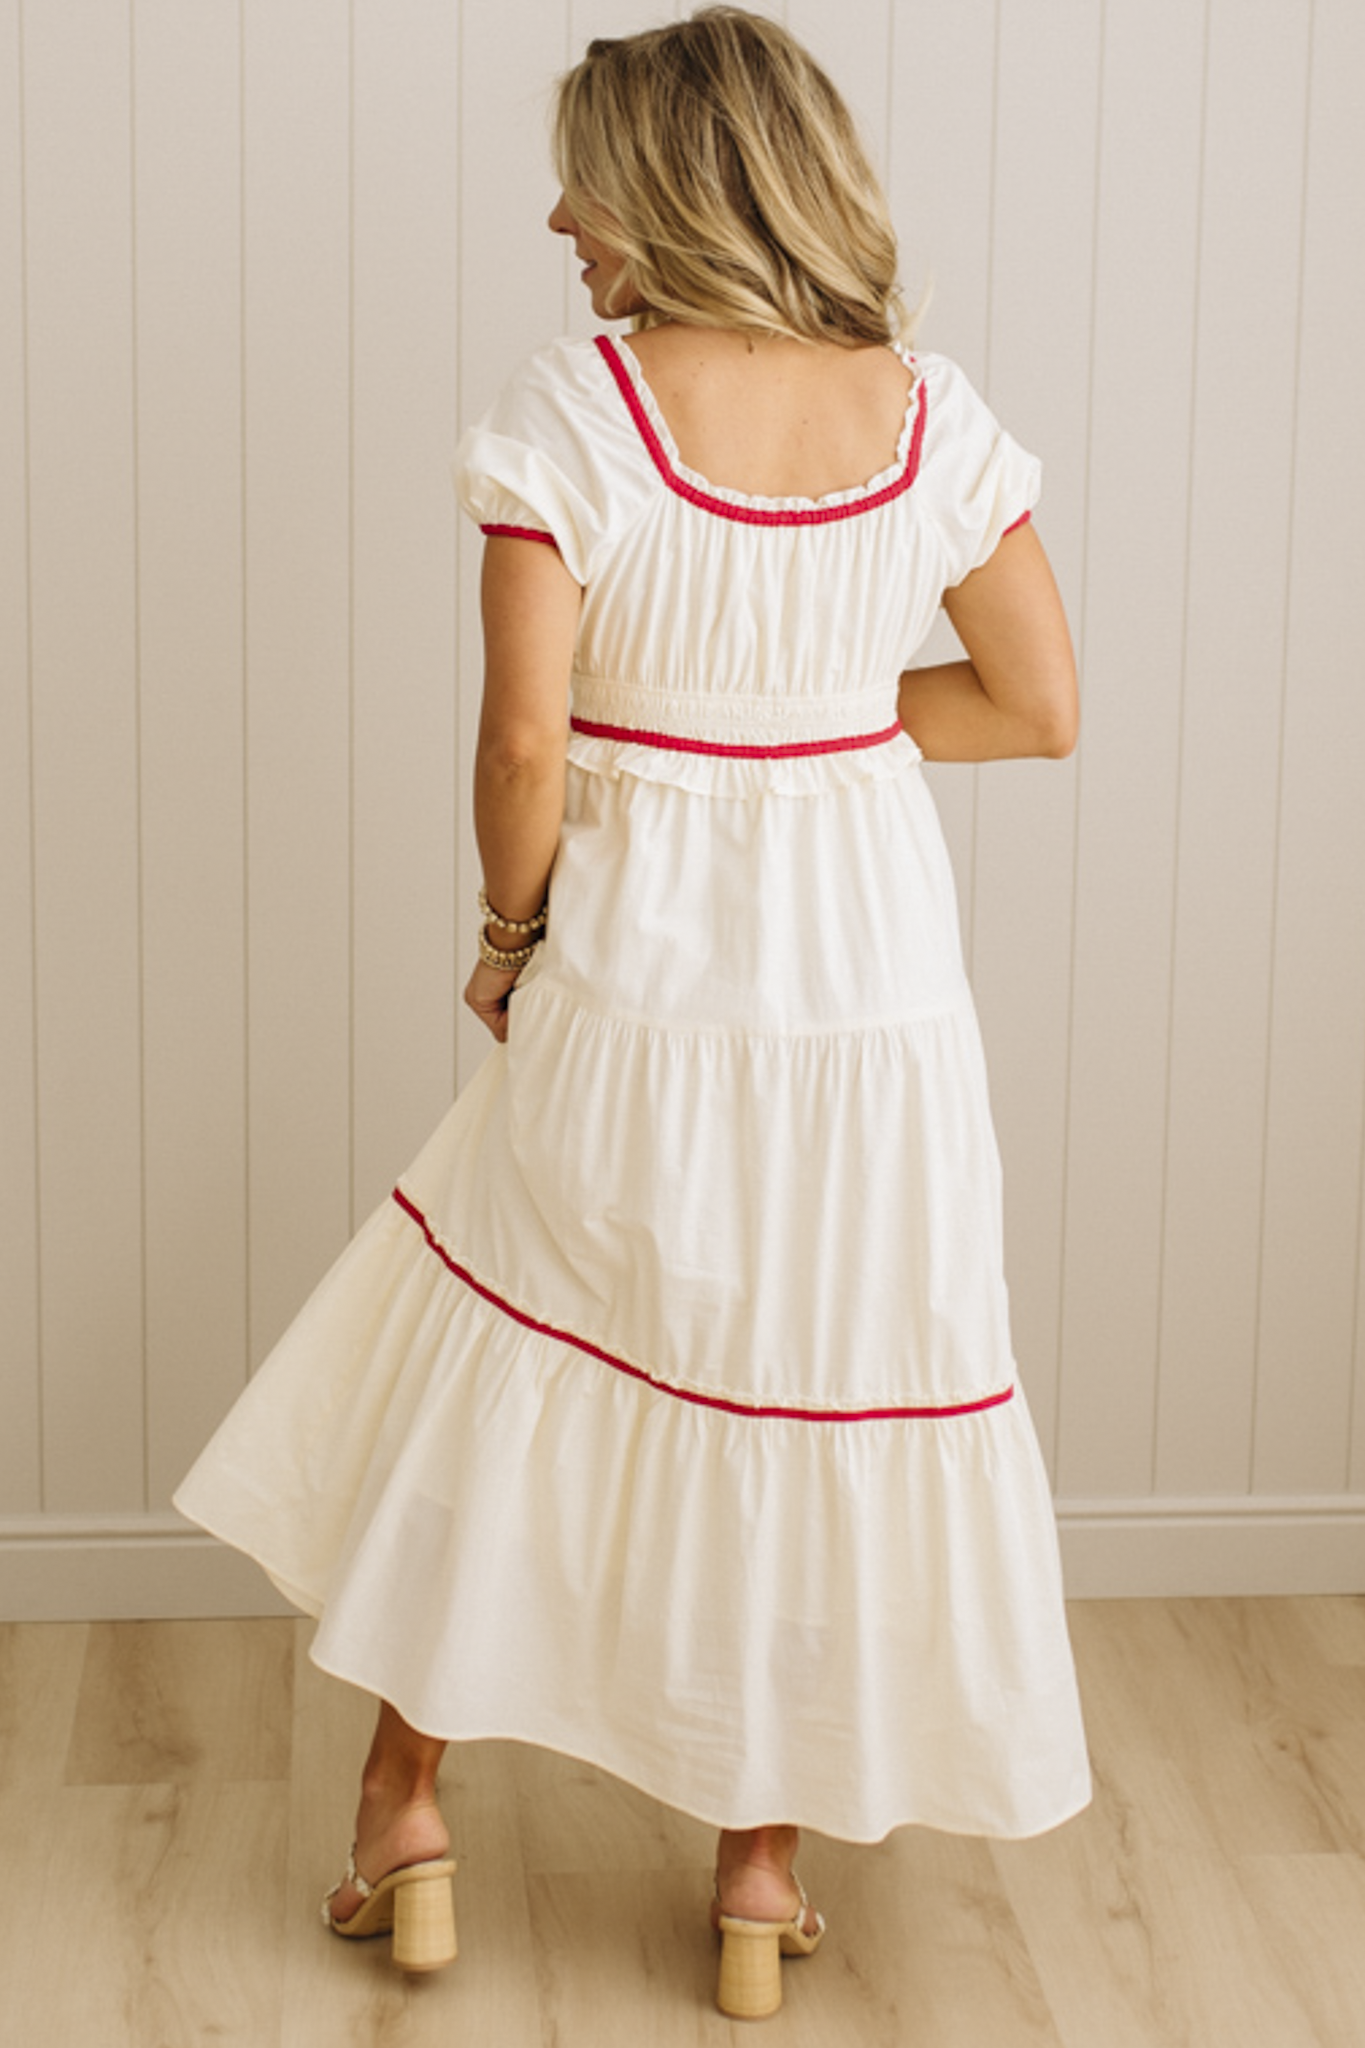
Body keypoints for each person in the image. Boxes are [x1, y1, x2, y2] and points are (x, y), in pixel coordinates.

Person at [175, 5, 1090, 2020]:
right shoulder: (927, 417)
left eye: (582, 171)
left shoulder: (574, 410)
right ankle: (755, 1874)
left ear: (672, 180)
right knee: (809, 1371)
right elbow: (1039, 705)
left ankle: (405, 1808)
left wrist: (510, 933)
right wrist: (822, 728)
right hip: (872, 1001)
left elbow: (522, 741)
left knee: (513, 1352)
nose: (557, 215)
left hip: (640, 972)